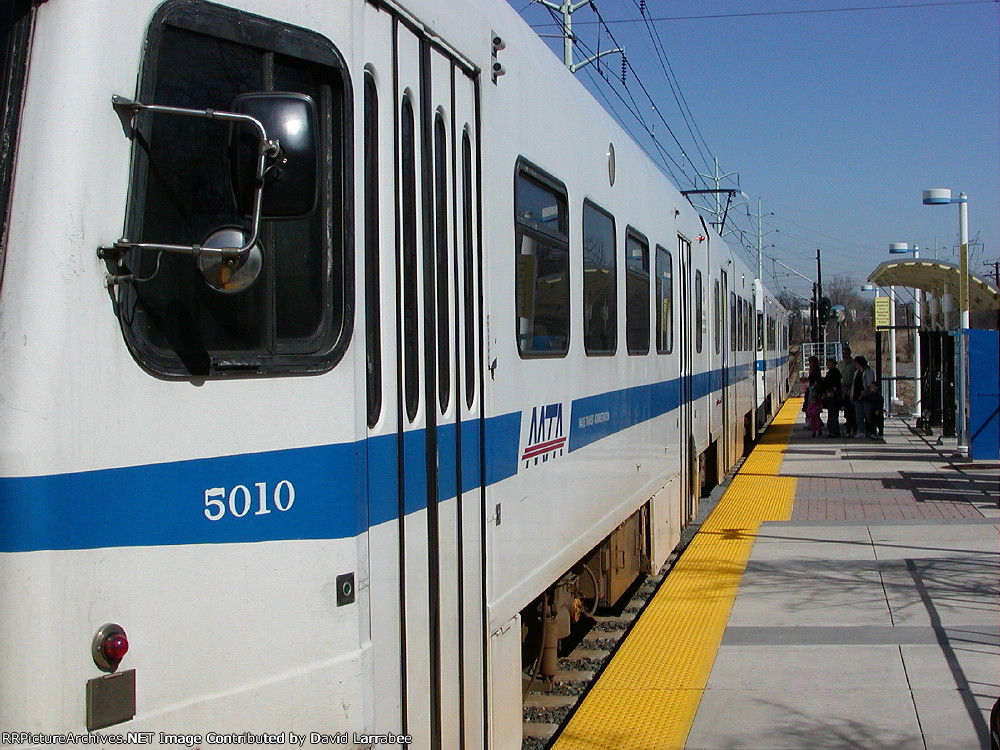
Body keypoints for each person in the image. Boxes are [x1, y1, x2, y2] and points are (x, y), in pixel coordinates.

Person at [851, 355, 876, 438]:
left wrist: (866, 391)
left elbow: (870, 383)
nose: (855, 365)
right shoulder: (856, 373)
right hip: (857, 396)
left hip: (866, 396)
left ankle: (871, 430)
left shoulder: (869, 372)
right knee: (859, 415)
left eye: (856, 363)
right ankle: (861, 430)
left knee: (868, 414)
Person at [837, 346, 856, 435]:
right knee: (844, 404)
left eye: (846, 353)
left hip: (851, 386)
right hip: (842, 386)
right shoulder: (840, 364)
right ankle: (847, 419)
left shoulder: (853, 364)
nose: (844, 355)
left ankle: (851, 421)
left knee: (850, 405)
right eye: (843, 353)